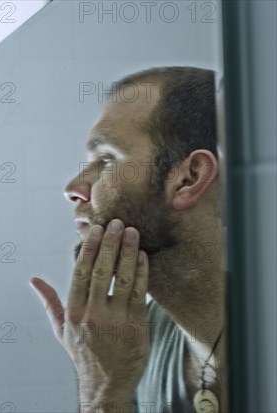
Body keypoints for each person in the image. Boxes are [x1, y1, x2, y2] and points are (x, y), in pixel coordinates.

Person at [31, 67, 227, 412]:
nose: (73, 189)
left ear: (190, 177)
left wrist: (103, 391)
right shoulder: (129, 338)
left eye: (106, 159)